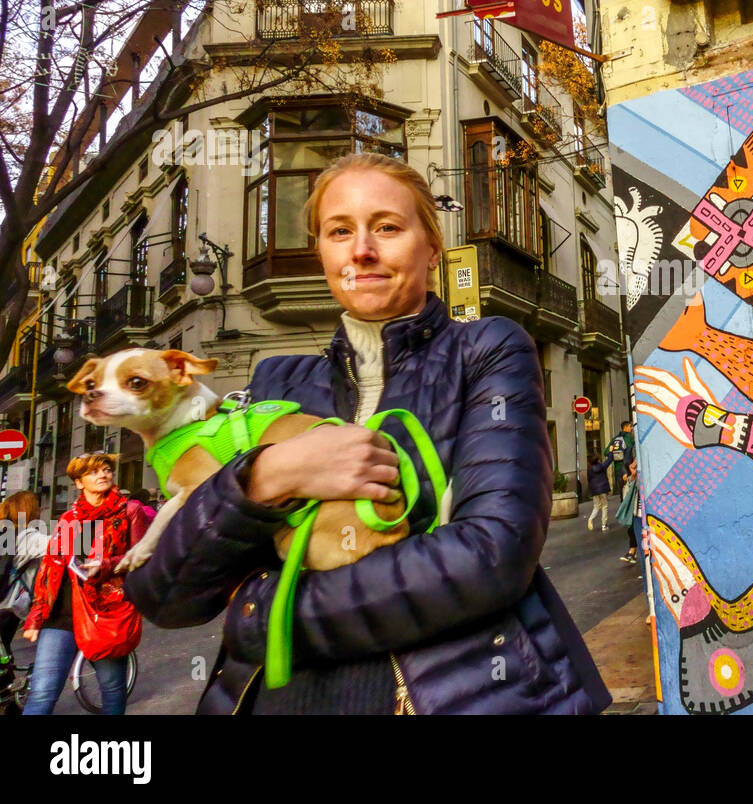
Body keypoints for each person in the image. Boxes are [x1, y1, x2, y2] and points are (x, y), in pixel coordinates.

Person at [125, 152, 611, 714]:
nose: (362, 250)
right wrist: (263, 477)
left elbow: (489, 558)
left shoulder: (485, 351)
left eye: (387, 227)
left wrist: (265, 616)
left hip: (456, 694)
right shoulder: (275, 385)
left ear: (432, 250)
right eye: (339, 231)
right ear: (322, 254)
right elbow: (168, 595)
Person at [21, 454, 150, 715]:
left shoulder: (129, 511)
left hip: (105, 612)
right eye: (93, 472)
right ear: (79, 483)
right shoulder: (70, 518)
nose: (102, 475)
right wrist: (36, 616)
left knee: (112, 690)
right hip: (62, 615)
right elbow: (51, 567)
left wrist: (105, 565)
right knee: (42, 693)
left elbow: (142, 557)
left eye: (106, 470)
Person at [0, 491, 45, 671]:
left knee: (4, 655)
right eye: (37, 506)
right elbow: (62, 544)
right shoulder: (27, 537)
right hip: (8, 607)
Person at [616, 458, 642, 565]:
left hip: (642, 512)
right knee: (632, 531)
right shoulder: (632, 479)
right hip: (636, 511)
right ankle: (632, 553)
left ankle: (633, 553)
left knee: (636, 533)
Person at [605, 420, 635, 497]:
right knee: (630, 492)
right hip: (628, 468)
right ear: (625, 428)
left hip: (617, 469)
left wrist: (614, 454)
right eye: (630, 426)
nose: (631, 428)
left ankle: (623, 507)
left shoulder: (615, 439)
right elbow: (632, 452)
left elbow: (605, 452)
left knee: (622, 492)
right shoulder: (629, 438)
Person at [585, 452, 614, 532]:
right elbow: (610, 459)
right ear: (598, 460)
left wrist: (592, 490)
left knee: (596, 506)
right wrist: (610, 452)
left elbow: (589, 480)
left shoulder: (589, 470)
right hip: (603, 490)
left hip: (595, 491)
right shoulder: (602, 466)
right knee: (604, 506)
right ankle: (604, 525)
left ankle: (590, 519)